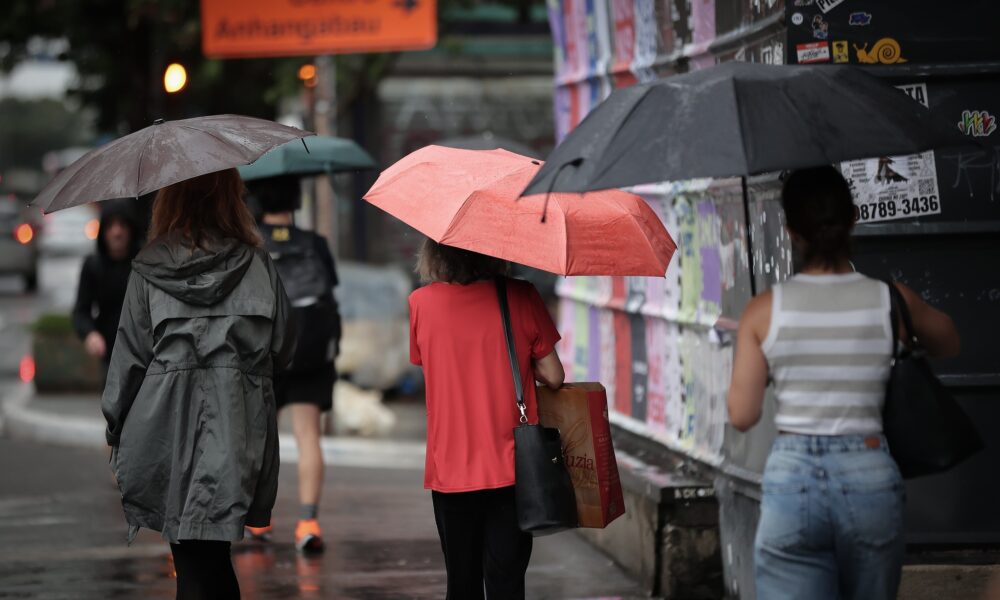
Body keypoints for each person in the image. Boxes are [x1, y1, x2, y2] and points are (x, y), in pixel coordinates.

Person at [726, 166, 961, 600]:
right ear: (853, 217)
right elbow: (949, 342)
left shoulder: (763, 310)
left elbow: (742, 415)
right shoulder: (890, 299)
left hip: (792, 480)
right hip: (869, 474)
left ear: (792, 231)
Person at [101, 169, 294, 600]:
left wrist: (114, 429)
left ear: (169, 200)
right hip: (237, 425)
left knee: (191, 558)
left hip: (164, 428)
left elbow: (128, 361)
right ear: (231, 198)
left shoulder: (149, 269)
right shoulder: (258, 265)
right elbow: (284, 347)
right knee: (211, 555)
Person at [408, 239, 565, 599]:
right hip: (511, 468)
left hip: (449, 469)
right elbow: (554, 375)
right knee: (507, 584)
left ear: (436, 253)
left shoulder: (421, 303)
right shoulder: (521, 297)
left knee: (461, 585)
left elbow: (425, 361)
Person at [244, 176, 341, 554]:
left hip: (266, 353)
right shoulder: (315, 244)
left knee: (259, 438)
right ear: (296, 200)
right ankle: (308, 520)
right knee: (308, 437)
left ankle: (259, 521)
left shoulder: (251, 245)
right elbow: (329, 292)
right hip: (312, 353)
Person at [72, 200, 142, 369]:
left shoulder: (144, 265)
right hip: (109, 354)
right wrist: (90, 334)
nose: (117, 232)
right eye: (110, 226)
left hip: (143, 352)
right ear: (103, 231)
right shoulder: (92, 266)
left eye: (122, 225)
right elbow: (81, 311)